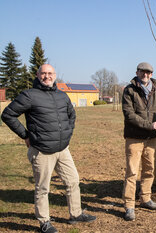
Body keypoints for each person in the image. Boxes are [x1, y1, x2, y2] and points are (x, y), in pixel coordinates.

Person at [1, 64, 96, 233]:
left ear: (55, 75)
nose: (47, 76)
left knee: (73, 180)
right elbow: (8, 115)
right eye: (43, 73)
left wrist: (67, 134)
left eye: (50, 73)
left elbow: (71, 115)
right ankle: (44, 221)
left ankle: (75, 213)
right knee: (43, 188)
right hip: (42, 150)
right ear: (37, 75)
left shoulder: (62, 95)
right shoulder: (29, 95)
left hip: (62, 149)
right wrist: (25, 135)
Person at [122, 62, 156, 221]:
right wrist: (149, 125)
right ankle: (129, 205)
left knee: (149, 169)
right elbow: (129, 115)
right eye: (142, 72)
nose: (146, 74)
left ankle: (145, 198)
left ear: (151, 74)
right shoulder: (129, 90)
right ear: (137, 72)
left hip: (151, 138)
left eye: (148, 72)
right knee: (132, 172)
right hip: (134, 137)